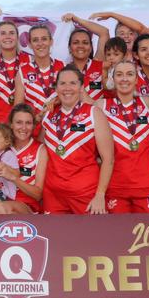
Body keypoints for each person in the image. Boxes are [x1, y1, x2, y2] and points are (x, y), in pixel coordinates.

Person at [41, 64, 114, 214]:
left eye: (73, 83)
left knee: (88, 237)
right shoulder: (48, 116)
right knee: (56, 237)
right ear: (56, 88)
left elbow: (108, 159)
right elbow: (40, 151)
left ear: (82, 88)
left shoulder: (94, 113)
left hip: (85, 193)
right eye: (62, 83)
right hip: (53, 195)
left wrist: (100, 195)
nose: (67, 88)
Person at [96, 61, 149, 213]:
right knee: (118, 235)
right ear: (113, 79)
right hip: (115, 184)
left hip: (146, 184)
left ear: (137, 79)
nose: (124, 79)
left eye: (130, 74)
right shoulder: (100, 106)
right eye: (119, 74)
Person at [0, 104, 47, 214]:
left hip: (27, 206)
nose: (23, 127)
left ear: (33, 126)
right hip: (1, 200)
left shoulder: (40, 150)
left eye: (28, 123)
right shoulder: (1, 147)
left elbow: (38, 195)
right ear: (11, 125)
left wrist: (13, 178)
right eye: (19, 122)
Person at [16, 25, 66, 123]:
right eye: (35, 40)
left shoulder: (64, 67)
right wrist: (36, 118)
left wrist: (59, 100)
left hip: (61, 125)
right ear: (30, 44)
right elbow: (18, 109)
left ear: (51, 41)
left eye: (44, 39)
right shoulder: (22, 71)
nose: (40, 44)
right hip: (35, 127)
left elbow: (74, 95)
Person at [0, 20, 31, 122]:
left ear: (17, 37)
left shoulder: (30, 60)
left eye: (11, 33)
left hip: (22, 121)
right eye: (3, 33)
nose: (7, 36)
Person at [62, 13, 110, 101]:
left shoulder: (99, 63)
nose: (81, 46)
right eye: (76, 42)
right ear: (69, 48)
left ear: (91, 47)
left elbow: (104, 33)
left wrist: (77, 19)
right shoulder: (63, 69)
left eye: (85, 42)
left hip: (97, 113)